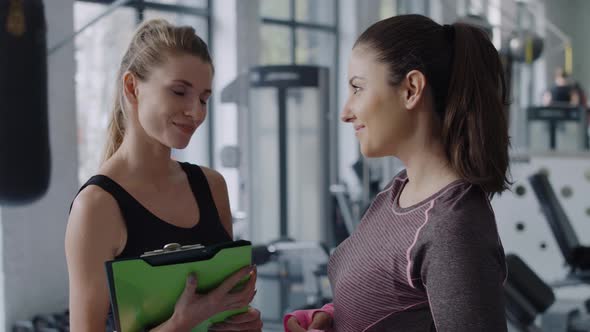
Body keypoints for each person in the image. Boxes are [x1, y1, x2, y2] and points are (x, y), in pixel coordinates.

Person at [286, 14, 510, 332]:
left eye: (358, 89)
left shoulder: (451, 228)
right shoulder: (398, 190)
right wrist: (331, 316)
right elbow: (392, 307)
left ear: (411, 89)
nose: (346, 112)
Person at [65, 19, 262, 332]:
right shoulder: (96, 207)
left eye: (203, 98)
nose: (196, 112)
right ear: (132, 87)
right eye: (179, 92)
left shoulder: (212, 186)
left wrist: (241, 322)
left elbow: (225, 311)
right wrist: (183, 323)